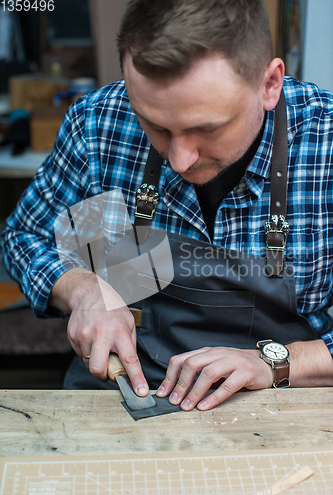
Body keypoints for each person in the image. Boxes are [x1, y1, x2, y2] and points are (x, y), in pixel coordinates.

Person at [1, 0, 333, 412]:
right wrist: (79, 289)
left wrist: (275, 362)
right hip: (126, 401)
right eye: (155, 125)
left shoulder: (325, 143)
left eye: (205, 128)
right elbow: (25, 236)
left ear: (269, 84)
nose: (180, 160)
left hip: (281, 408)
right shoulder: (100, 124)